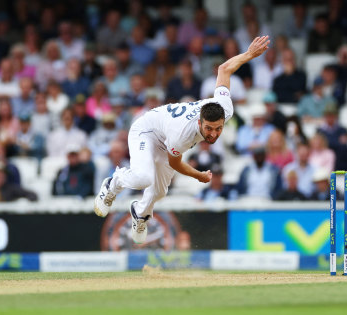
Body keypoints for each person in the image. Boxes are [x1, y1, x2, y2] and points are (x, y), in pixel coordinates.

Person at [94, 36, 270, 244]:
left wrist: (249, 54)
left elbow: (224, 69)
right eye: (208, 129)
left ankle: (140, 213)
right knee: (144, 178)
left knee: (159, 192)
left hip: (166, 137)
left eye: (218, 129)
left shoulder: (225, 108)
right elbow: (174, 162)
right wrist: (199, 176)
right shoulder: (184, 134)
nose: (213, 134)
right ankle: (113, 184)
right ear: (199, 123)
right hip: (147, 131)